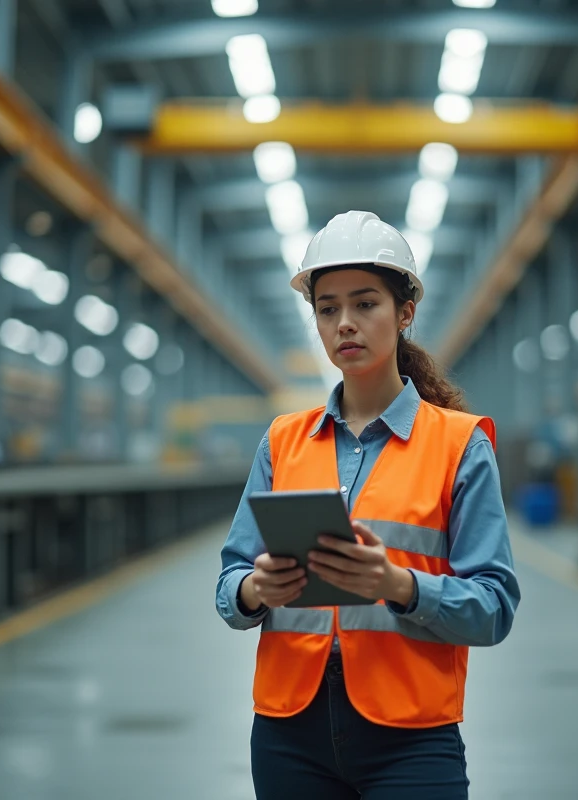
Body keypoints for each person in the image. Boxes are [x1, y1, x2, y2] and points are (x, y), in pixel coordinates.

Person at [215, 210, 521, 798]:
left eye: (366, 304)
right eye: (327, 309)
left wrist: (401, 584)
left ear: (405, 312)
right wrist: (257, 590)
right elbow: (230, 583)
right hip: (288, 732)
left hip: (410, 736)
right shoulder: (282, 441)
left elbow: (494, 606)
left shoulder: (459, 443)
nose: (345, 324)